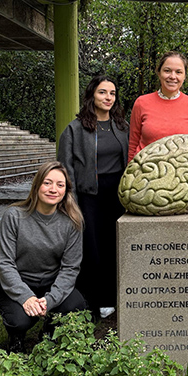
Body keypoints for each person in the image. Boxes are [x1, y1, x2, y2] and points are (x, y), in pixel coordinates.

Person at [0, 161, 87, 353]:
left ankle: (49, 333)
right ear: (37, 185)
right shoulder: (14, 216)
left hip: (50, 281)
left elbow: (70, 268)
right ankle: (16, 337)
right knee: (20, 320)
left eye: (60, 185)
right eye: (47, 183)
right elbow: (6, 264)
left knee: (76, 304)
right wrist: (26, 297)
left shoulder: (72, 222)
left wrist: (49, 300)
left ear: (66, 191)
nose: (53, 189)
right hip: (17, 281)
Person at [58, 75, 128, 320]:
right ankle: (91, 301)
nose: (108, 97)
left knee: (114, 247)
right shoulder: (75, 129)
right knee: (92, 250)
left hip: (117, 195)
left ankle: (114, 298)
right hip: (89, 196)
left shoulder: (121, 126)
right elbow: (65, 169)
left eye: (112, 93)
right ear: (91, 95)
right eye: (102, 92)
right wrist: (71, 201)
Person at [128, 51, 188, 161]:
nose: (172, 76)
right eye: (167, 71)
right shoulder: (141, 103)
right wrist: (130, 173)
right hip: (144, 172)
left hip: (181, 174)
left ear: (184, 76)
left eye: (178, 72)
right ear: (159, 73)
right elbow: (133, 144)